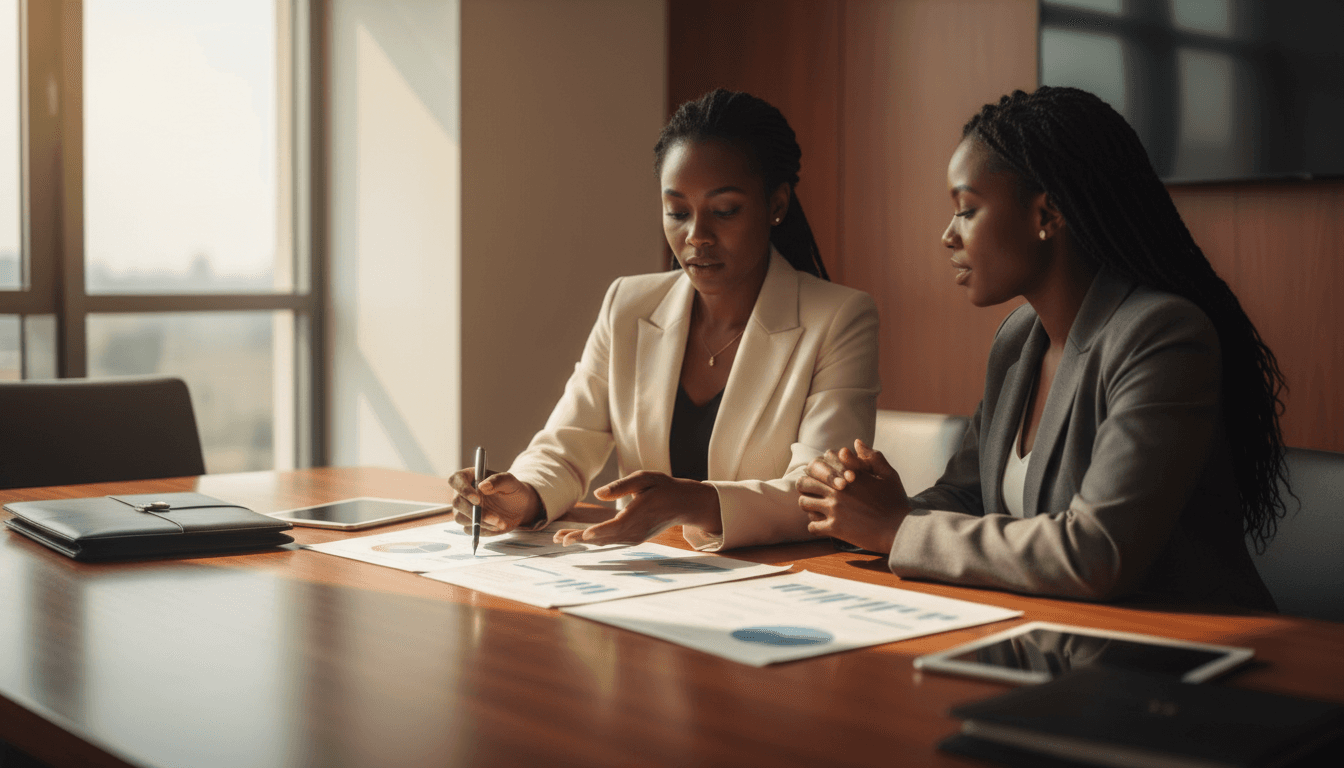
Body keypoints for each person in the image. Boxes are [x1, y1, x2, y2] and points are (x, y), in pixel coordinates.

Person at [799, 86, 1285, 609]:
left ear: (1047, 215)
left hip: (1185, 643)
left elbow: (1097, 553)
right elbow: (968, 497)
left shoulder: (1162, 336)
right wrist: (860, 507)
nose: (948, 235)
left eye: (967, 210)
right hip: (1059, 634)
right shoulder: (1018, 340)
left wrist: (897, 527)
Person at [449, 88, 880, 551]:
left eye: (724, 211)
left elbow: (822, 493)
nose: (696, 235)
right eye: (677, 212)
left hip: (777, 574)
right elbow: (567, 444)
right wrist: (525, 497)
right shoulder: (629, 304)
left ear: (776, 205)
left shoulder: (840, 318)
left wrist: (692, 502)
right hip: (646, 572)